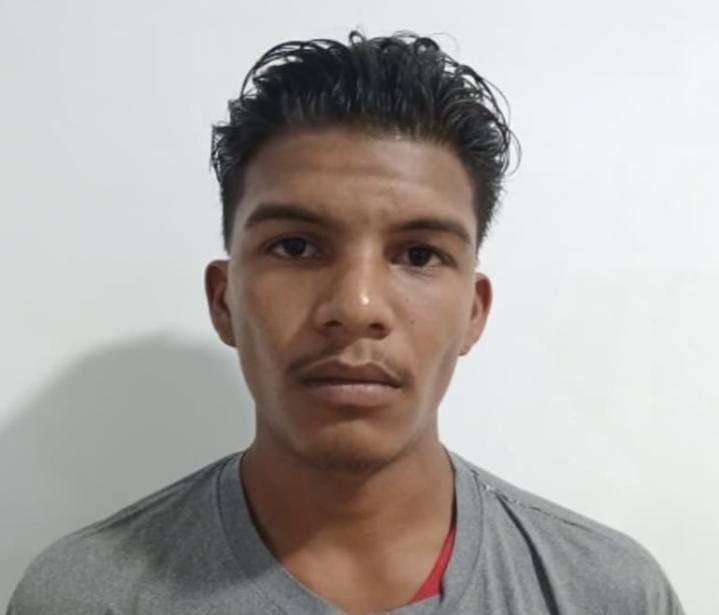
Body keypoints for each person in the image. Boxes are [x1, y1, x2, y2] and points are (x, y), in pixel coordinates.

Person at [6, 30, 685, 615]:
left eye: (419, 255)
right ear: (223, 300)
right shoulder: (86, 595)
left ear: (473, 313)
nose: (357, 306)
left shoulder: (605, 591)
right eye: (296, 246)